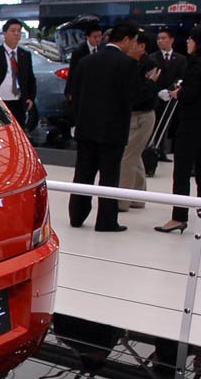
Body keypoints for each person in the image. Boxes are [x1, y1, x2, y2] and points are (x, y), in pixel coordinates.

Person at [67, 22, 142, 232]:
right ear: (126, 39)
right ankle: (106, 221)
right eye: (133, 42)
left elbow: (75, 95)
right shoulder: (128, 64)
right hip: (113, 131)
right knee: (109, 177)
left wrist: (78, 122)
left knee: (83, 175)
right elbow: (133, 97)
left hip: (86, 129)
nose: (133, 46)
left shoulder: (86, 62)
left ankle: (77, 216)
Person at [155, 25, 201, 233]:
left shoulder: (195, 63)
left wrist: (178, 93)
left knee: (182, 171)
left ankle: (178, 216)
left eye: (191, 39)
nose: (188, 42)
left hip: (191, 124)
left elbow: (191, 93)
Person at [118, 33, 160, 211]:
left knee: (127, 157)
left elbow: (140, 94)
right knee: (134, 155)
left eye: (133, 43)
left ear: (142, 46)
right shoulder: (130, 64)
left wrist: (149, 84)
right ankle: (138, 196)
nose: (129, 46)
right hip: (131, 115)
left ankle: (123, 200)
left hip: (143, 116)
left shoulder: (150, 66)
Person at [0, 19, 36, 128]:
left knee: (18, 129)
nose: (16, 34)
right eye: (13, 30)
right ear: (5, 33)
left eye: (19, 31)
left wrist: (30, 97)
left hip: (18, 102)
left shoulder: (25, 55)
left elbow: (30, 78)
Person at [149, 27, 187, 162]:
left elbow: (181, 76)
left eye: (163, 38)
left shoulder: (181, 59)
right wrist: (158, 91)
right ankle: (150, 150)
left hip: (171, 96)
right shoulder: (152, 57)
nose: (160, 41)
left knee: (167, 123)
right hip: (155, 95)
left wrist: (170, 90)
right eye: (158, 38)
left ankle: (162, 150)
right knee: (153, 123)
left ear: (171, 40)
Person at [64, 23, 103, 103]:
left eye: (100, 36)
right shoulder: (79, 51)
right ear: (88, 37)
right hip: (83, 87)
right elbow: (73, 72)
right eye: (95, 37)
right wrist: (70, 91)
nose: (98, 39)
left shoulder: (102, 48)